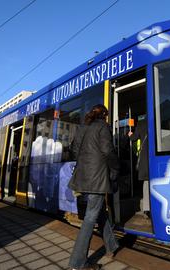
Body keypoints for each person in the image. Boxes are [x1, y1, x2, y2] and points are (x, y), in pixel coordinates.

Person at [68, 104, 120, 270]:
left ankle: (111, 246)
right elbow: (108, 151)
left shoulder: (83, 128)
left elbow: (74, 150)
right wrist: (116, 168)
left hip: (84, 176)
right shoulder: (103, 127)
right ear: (104, 115)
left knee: (98, 212)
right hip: (97, 178)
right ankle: (78, 263)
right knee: (90, 217)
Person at [128, 115, 150, 218]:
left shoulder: (142, 124)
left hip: (145, 159)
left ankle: (147, 209)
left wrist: (130, 134)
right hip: (157, 157)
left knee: (147, 183)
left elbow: (134, 138)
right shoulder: (160, 119)